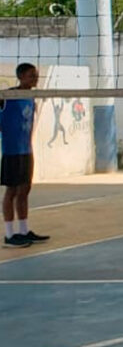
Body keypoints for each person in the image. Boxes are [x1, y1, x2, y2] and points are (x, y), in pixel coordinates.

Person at [1, 63, 50, 248]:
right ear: (21, 76)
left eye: (36, 75)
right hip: (11, 151)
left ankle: (23, 230)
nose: (35, 79)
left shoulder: (31, 97)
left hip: (26, 150)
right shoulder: (7, 96)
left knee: (24, 190)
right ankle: (9, 234)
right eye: (31, 75)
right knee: (11, 191)